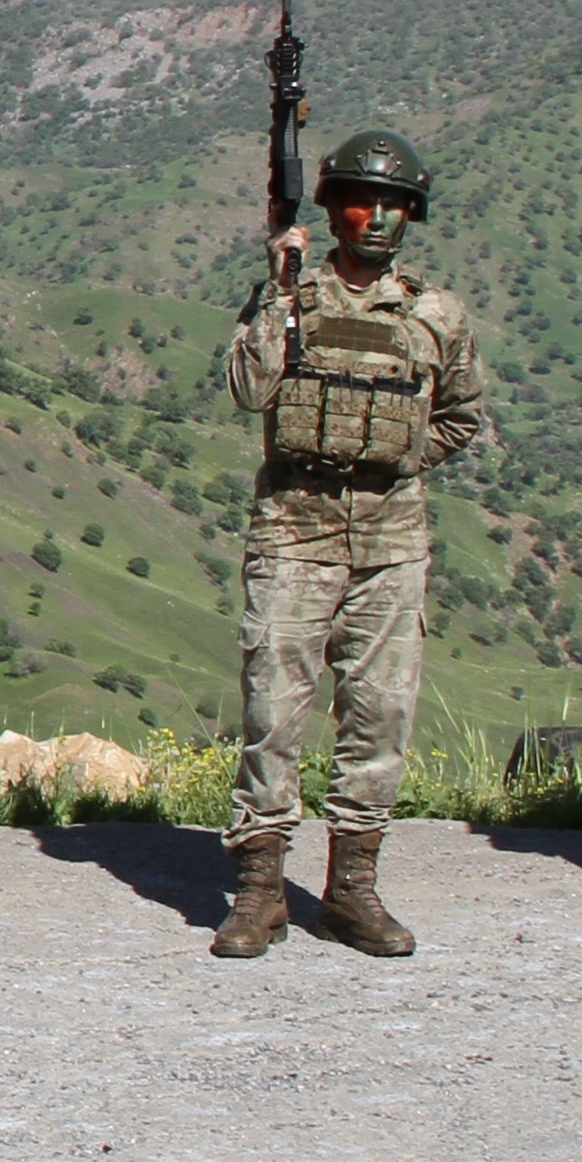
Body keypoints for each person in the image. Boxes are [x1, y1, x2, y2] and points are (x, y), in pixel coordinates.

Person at [209, 131, 489, 960]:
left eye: (394, 204)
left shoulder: (436, 315)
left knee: (380, 715)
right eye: (362, 201)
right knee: (273, 713)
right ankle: (259, 892)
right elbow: (247, 388)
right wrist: (278, 290)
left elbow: (463, 413)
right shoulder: (289, 296)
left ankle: (352, 890)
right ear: (333, 211)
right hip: (294, 531)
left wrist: (398, 457)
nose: (378, 217)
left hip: (392, 541)